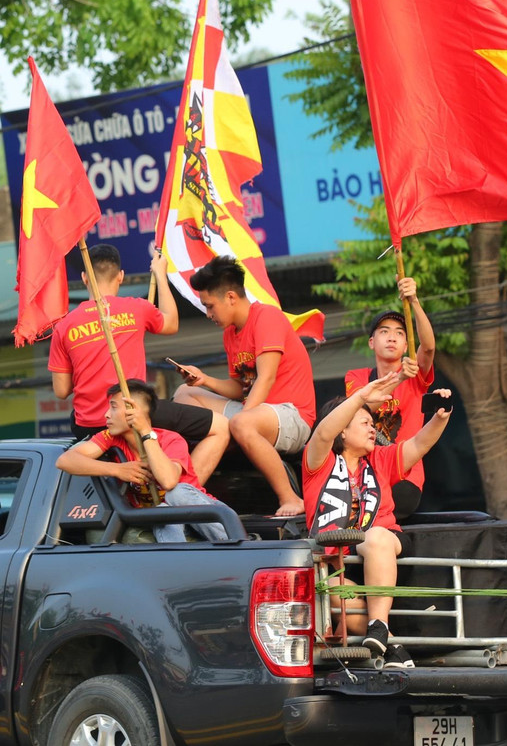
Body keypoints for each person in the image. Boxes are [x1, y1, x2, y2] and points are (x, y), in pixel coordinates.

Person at [303, 372, 453, 668]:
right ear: (341, 431)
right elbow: (322, 433)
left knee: (374, 537)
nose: (373, 429)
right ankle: (393, 646)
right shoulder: (318, 462)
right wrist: (358, 397)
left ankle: (379, 627)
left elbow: (419, 445)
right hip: (335, 562)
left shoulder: (381, 459)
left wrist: (440, 417)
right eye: (364, 423)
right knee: (330, 592)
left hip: (381, 547)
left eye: (373, 424)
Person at [49, 245, 230, 469]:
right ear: (121, 276)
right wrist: (160, 275)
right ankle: (185, 491)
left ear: (85, 278)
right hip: (135, 416)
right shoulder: (136, 308)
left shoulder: (64, 325)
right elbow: (171, 323)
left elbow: (61, 391)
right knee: (220, 426)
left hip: (90, 425)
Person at [173, 256, 316, 517]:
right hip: (255, 411)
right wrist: (205, 380)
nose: (208, 314)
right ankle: (187, 492)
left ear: (230, 297)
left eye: (209, 306)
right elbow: (243, 388)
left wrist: (239, 418)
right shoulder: (231, 333)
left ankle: (291, 498)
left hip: (292, 416)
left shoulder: (266, 317)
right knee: (185, 394)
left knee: (241, 423)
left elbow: (266, 378)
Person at [56, 380, 238, 542]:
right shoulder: (110, 437)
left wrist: (145, 432)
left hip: (206, 516)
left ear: (133, 412)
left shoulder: (171, 439)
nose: (106, 415)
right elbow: (65, 461)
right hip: (164, 521)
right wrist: (116, 470)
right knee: (162, 512)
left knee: (175, 495)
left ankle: (232, 543)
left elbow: (168, 481)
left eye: (113, 407)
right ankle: (178, 563)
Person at [344, 277, 437, 522]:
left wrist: (414, 301)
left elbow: (428, 348)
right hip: (364, 474)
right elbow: (357, 410)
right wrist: (398, 379)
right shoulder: (357, 377)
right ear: (372, 343)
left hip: (403, 476)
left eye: (398, 333)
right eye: (384, 332)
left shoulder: (416, 375)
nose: (392, 337)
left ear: (407, 345)